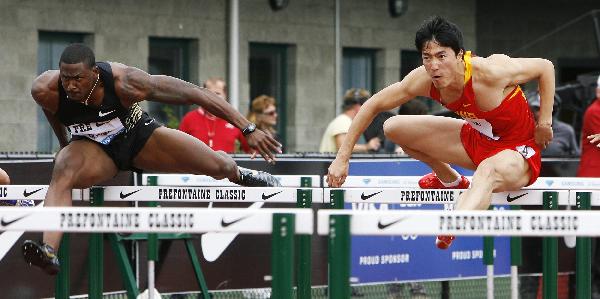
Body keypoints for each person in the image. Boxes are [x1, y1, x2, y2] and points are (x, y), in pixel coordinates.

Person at [22, 43, 282, 275]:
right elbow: (53, 110)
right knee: (64, 166)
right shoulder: (46, 89)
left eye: (78, 79)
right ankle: (49, 250)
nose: (71, 86)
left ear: (95, 74)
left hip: (139, 138)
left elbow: (195, 93)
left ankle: (240, 173)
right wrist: (64, 143)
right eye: (66, 79)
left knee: (219, 166)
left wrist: (247, 128)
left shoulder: (125, 81)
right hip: (95, 150)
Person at [327, 16, 555, 249]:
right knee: (393, 128)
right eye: (427, 58)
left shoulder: (491, 72)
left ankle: (452, 225)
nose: (434, 66)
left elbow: (545, 67)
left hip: (518, 152)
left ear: (459, 56)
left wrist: (544, 123)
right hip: (476, 141)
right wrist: (342, 157)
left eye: (441, 56)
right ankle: (451, 180)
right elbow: (373, 104)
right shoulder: (424, 79)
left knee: (487, 170)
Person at [179, 77, 251, 153]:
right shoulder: (189, 118)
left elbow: (251, 150)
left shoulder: (234, 119)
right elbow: (178, 148)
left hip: (226, 164)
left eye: (217, 93)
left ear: (225, 95)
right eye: (209, 93)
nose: (213, 97)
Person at [319, 88, 381, 153]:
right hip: (330, 163)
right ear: (358, 107)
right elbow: (342, 147)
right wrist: (367, 146)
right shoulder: (343, 121)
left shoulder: (346, 121)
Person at [528, 92, 579, 157]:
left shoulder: (566, 131)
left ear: (554, 110)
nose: (542, 112)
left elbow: (575, 157)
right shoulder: (522, 130)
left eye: (546, 108)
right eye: (537, 109)